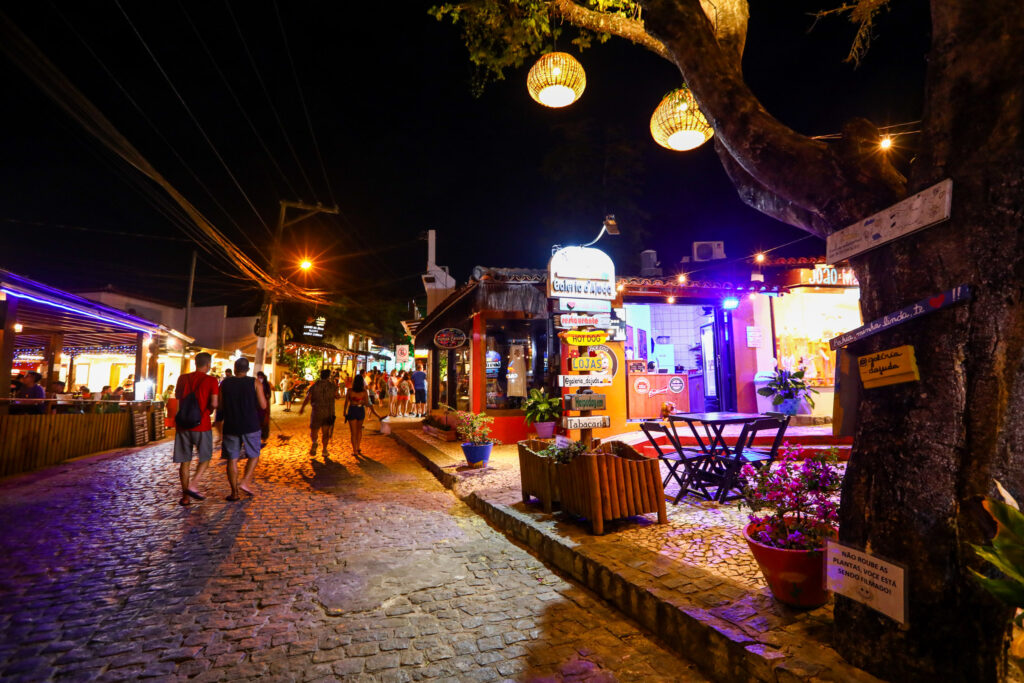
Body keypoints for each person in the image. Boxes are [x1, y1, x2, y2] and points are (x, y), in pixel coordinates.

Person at [173, 352, 220, 506]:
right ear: (208, 365)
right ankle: (194, 484)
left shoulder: (182, 378)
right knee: (205, 458)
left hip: (183, 425)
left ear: (195, 363)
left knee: (184, 461)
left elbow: (178, 397)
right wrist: (209, 410)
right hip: (202, 424)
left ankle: (185, 497)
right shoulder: (212, 380)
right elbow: (213, 404)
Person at [219, 357, 267, 501]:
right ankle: (245, 481)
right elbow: (263, 405)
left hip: (231, 425)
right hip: (250, 424)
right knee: (254, 454)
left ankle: (234, 493)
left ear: (234, 369)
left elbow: (220, 405)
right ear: (247, 369)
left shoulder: (225, 383)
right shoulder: (255, 383)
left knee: (232, 459)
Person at [299, 369, 341, 457]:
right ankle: (324, 450)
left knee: (314, 431)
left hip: (316, 412)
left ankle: (314, 442)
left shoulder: (314, 386)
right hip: (328, 412)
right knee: (326, 433)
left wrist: (302, 407)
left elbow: (308, 397)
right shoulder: (332, 386)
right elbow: (337, 396)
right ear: (329, 376)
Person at [343, 373, 370, 456]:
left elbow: (346, 402)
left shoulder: (350, 391)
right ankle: (358, 447)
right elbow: (367, 403)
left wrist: (344, 412)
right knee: (359, 430)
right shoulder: (364, 392)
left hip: (352, 410)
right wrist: (361, 402)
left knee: (353, 432)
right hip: (360, 410)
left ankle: (354, 450)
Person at [256, 371, 272, 445]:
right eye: (258, 377)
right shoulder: (256, 383)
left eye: (261, 377)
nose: (259, 379)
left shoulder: (266, 384)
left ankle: (264, 436)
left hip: (265, 404)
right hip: (257, 406)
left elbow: (269, 394)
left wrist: (265, 398)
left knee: (265, 421)